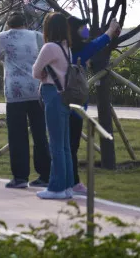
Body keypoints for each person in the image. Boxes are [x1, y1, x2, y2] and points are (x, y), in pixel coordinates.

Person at [0, 11, 49, 189]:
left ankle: (20, 177)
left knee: (17, 135)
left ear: (8, 24)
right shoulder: (37, 36)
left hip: (14, 92)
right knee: (40, 134)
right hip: (37, 89)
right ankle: (45, 175)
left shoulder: (3, 36)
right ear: (26, 23)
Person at [66, 16, 121, 194]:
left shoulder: (63, 49)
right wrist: (111, 30)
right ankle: (73, 182)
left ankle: (65, 180)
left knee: (65, 146)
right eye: (82, 28)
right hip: (74, 108)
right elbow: (98, 43)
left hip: (66, 105)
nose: (86, 31)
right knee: (71, 147)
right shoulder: (76, 52)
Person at [31, 11, 74, 200]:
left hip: (52, 94)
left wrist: (42, 74)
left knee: (55, 145)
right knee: (64, 145)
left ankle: (56, 188)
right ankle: (67, 186)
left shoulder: (49, 47)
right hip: (64, 96)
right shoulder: (66, 48)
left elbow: (35, 71)